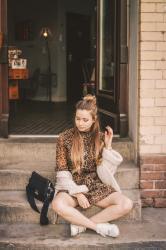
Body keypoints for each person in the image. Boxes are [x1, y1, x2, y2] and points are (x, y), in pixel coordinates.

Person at [52, 95, 133, 237]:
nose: (80, 123)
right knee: (57, 204)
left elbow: (105, 173)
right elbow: (62, 169)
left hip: (95, 185)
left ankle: (81, 225)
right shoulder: (64, 138)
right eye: (78, 119)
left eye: (85, 120)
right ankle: (97, 228)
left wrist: (107, 147)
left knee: (126, 204)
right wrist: (77, 193)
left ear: (94, 119)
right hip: (73, 185)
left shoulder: (100, 138)